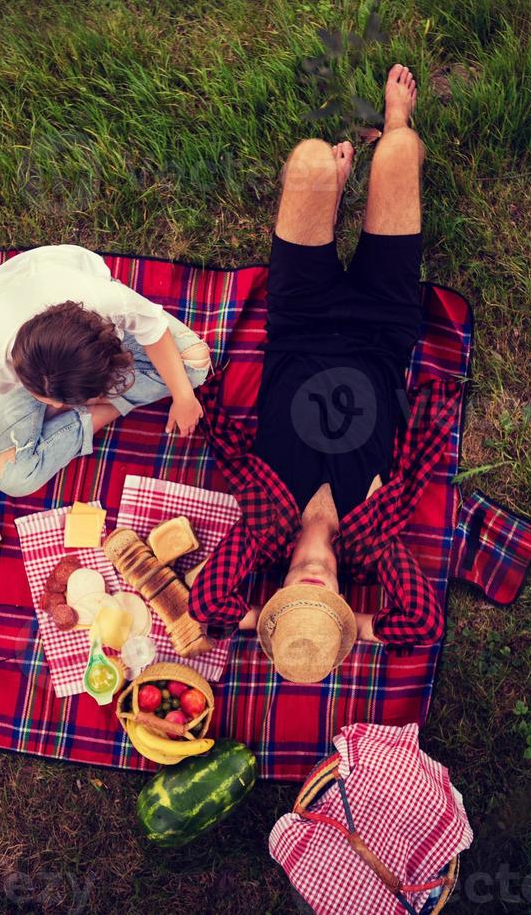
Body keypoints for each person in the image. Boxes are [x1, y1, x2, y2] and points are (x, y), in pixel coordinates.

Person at [188, 64, 452, 680]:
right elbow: (421, 622)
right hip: (385, 327)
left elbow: (209, 606)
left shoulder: (262, 531)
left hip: (300, 319)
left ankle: (329, 185)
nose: (313, 583)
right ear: (339, 602)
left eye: (294, 597)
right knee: (400, 150)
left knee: (307, 159)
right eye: (324, 600)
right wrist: (353, 628)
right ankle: (394, 120)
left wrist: (264, 620)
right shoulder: (374, 546)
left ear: (277, 592)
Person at [0, 245, 211, 559]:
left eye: (69, 401)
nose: (57, 407)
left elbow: (154, 330)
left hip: (81, 329)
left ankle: (105, 404)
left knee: (194, 367)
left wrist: (183, 396)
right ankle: (112, 407)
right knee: (11, 477)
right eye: (53, 401)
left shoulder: (107, 301)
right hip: (20, 333)